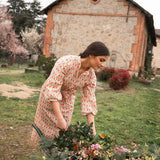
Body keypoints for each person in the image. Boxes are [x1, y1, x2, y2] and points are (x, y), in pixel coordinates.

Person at [31, 41, 110, 143]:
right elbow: (53, 90)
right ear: (91, 55)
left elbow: (89, 102)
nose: (102, 65)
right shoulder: (65, 62)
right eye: (101, 60)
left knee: (61, 135)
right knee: (43, 134)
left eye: (104, 61)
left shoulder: (91, 77)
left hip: (67, 102)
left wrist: (92, 132)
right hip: (50, 98)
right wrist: (59, 119)